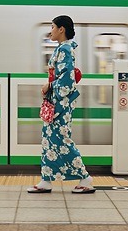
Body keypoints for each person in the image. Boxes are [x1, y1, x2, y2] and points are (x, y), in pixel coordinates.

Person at [27, 15, 95, 194]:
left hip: (61, 104)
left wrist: (49, 85)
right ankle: (46, 179)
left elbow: (67, 81)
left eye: (52, 27)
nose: (51, 31)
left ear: (61, 29)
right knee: (49, 140)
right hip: (56, 101)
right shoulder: (62, 48)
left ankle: (85, 178)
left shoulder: (65, 50)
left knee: (62, 140)